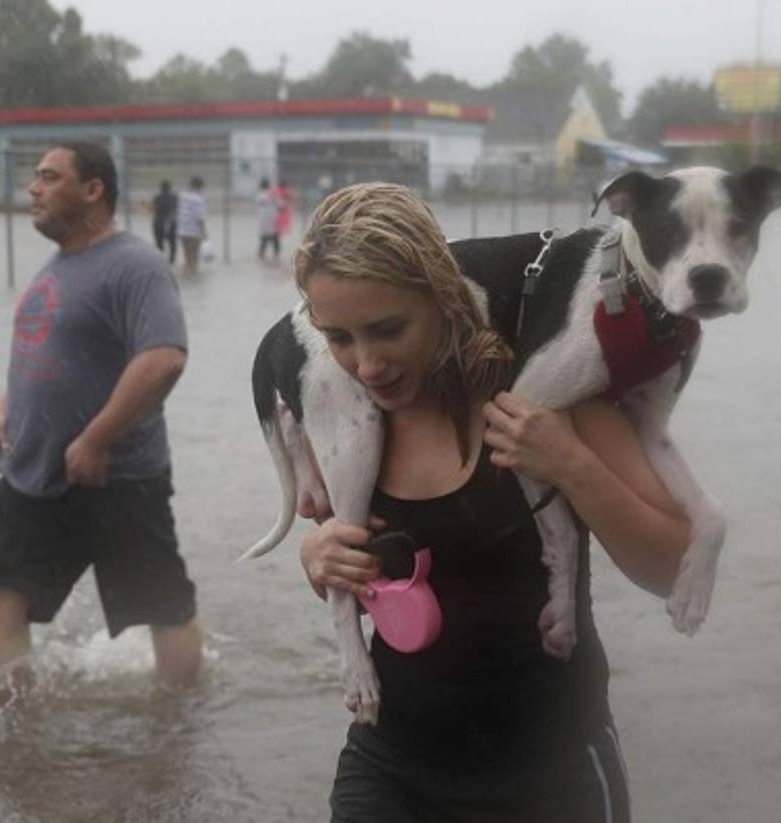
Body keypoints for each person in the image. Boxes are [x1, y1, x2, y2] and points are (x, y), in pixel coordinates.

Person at [295, 183, 692, 822]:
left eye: (388, 330)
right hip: (393, 768)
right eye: (338, 338)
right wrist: (322, 560)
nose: (366, 365)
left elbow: (673, 569)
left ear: (444, 299)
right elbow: (376, 580)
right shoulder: (347, 418)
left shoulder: (549, 395)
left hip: (553, 775)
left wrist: (568, 463)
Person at [0, 141, 202, 691]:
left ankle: (180, 729)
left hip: (117, 478)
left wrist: (96, 439)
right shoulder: (55, 268)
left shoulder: (135, 265)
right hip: (35, 474)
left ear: (93, 190)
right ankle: (15, 737)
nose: (32, 188)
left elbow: (164, 358)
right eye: (35, 177)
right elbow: (41, 353)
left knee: (162, 608)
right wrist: (4, 411)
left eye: (49, 177)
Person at [176, 176, 207, 274]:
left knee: (187, 254)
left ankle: (187, 274)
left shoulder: (183, 195)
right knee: (194, 255)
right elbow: (200, 218)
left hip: (182, 229)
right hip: (193, 231)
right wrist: (204, 232)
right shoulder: (198, 199)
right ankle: (191, 274)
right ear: (200, 186)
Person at [150, 179, 177, 264]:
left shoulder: (157, 197)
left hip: (159, 221)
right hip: (170, 222)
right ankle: (171, 260)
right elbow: (176, 210)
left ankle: (160, 260)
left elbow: (153, 209)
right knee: (172, 243)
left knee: (159, 243)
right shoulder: (174, 197)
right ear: (170, 188)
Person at [256, 177, 281, 261]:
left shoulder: (260, 195)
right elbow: (280, 204)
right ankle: (276, 255)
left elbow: (279, 204)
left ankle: (262, 255)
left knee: (265, 239)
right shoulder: (270, 195)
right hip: (271, 220)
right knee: (273, 238)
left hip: (266, 221)